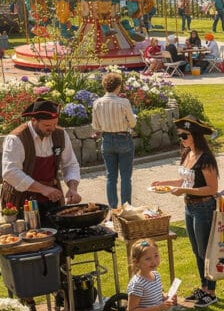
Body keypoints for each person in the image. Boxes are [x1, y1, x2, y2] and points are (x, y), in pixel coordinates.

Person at [150, 117, 220, 307]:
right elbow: (184, 180)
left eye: (184, 135)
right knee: (197, 250)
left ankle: (211, 292)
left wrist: (184, 190)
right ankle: (203, 287)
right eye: (179, 135)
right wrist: (163, 183)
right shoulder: (188, 153)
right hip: (190, 207)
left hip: (204, 207)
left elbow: (212, 189)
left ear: (194, 135)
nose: (181, 139)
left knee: (205, 251)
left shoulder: (206, 158)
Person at [1, 99, 82, 248]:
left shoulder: (60, 134)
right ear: (33, 120)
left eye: (55, 124)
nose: (52, 129)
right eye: (47, 125)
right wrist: (43, 189)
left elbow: (70, 164)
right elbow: (10, 172)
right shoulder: (16, 138)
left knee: (56, 241)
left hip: (51, 198)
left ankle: (57, 263)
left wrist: (72, 188)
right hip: (21, 199)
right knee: (26, 245)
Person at [91, 71, 137, 208]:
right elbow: (132, 123)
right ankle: (126, 207)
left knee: (110, 177)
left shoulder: (97, 103)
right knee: (125, 177)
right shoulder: (123, 102)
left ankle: (113, 208)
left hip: (107, 139)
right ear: (118, 86)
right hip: (123, 139)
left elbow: (96, 126)